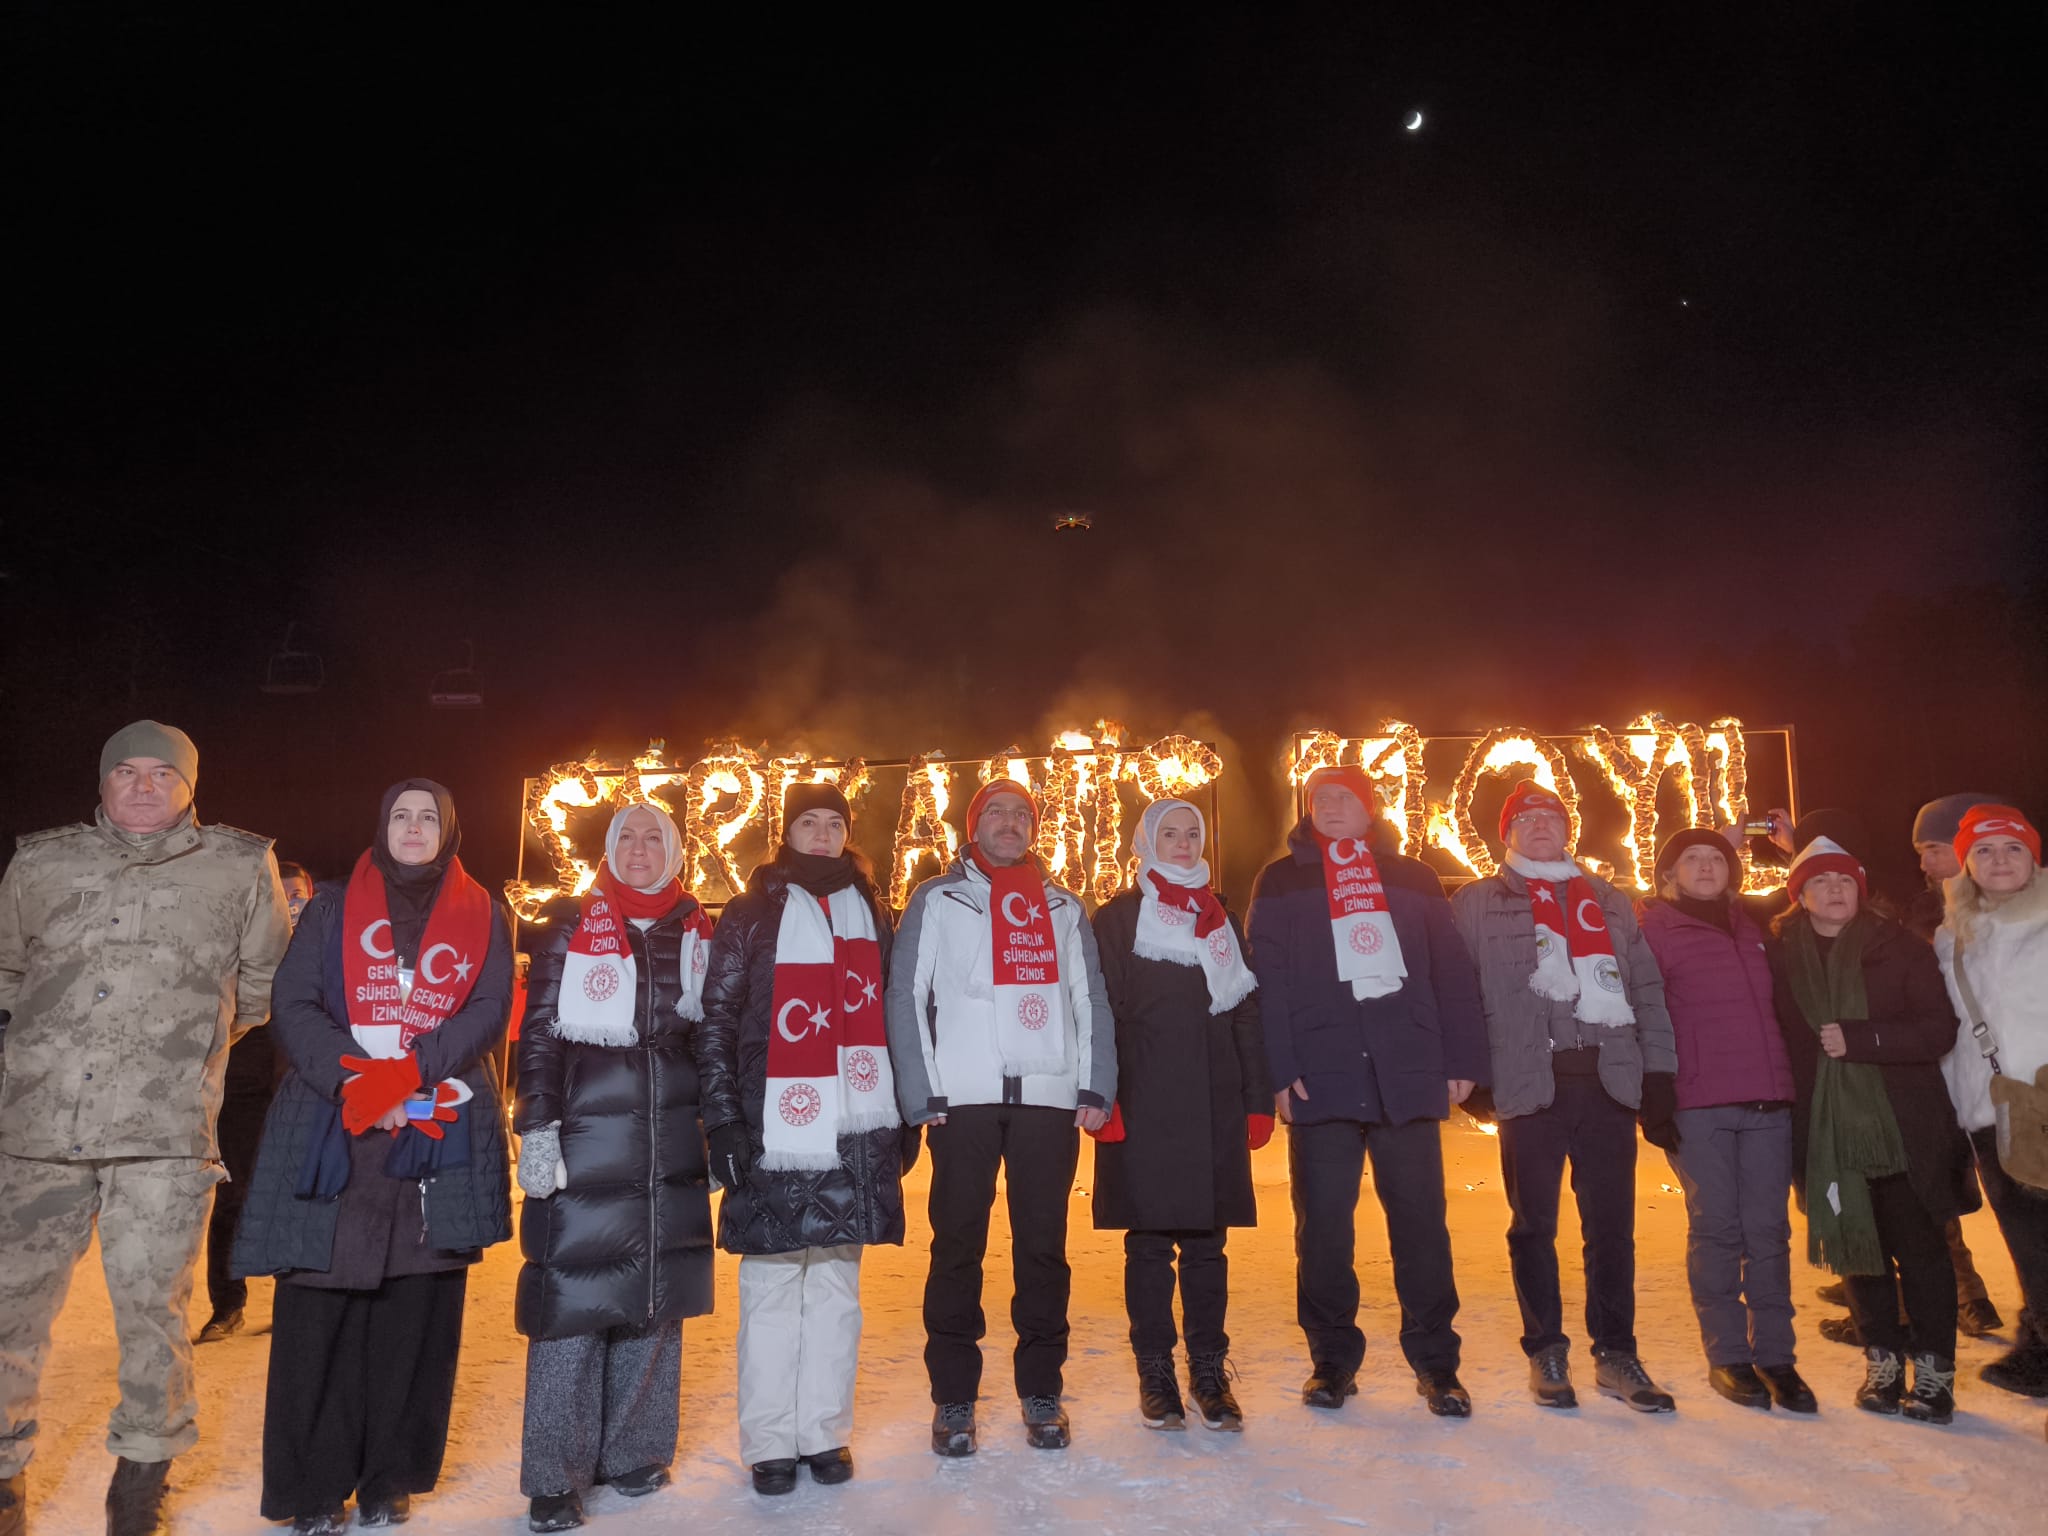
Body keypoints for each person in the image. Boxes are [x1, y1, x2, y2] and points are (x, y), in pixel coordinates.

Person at [0, 720, 291, 1536]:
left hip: (163, 1135)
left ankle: (139, 1488)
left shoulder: (238, 866)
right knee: (7, 1314)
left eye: (161, 774)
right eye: (123, 771)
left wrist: (180, 1048)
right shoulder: (43, 860)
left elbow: (265, 986)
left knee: (154, 1317)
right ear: (100, 781)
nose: (140, 786)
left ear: (190, 786)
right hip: (37, 1132)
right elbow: (6, 971)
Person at [232, 779, 515, 1532]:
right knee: (318, 1316)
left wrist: (410, 1074)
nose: (414, 828)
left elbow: (488, 1010)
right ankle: (312, 1488)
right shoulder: (329, 906)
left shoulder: (486, 912)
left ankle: (391, 1476)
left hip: (434, 1129)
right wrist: (363, 1082)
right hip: (336, 1129)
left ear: (450, 829)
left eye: (429, 817)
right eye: (401, 815)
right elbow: (293, 1005)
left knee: (414, 1316)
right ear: (381, 825)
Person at [1248, 767, 1488, 1418]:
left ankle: (1438, 1365)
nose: (1328, 806)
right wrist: (1277, 1067)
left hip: (1404, 1070)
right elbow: (1265, 981)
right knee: (1323, 1229)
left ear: (1369, 811)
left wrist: (1462, 1056)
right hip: (1320, 1074)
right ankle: (1331, 1361)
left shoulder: (1412, 876)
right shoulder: (1282, 879)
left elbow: (1451, 973)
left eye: (1343, 797)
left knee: (1421, 1229)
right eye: (1318, 798)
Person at [884, 780, 1115, 1457]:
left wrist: (1095, 1082)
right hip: (963, 1100)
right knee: (957, 1246)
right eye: (997, 813)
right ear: (973, 823)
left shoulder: (1062, 905)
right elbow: (907, 992)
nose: (1010, 824)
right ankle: (954, 1396)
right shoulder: (937, 897)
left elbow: (1088, 996)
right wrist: (921, 1088)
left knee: (1043, 1248)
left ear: (1034, 828)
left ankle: (1041, 1388)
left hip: (1046, 1096)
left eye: (1022, 814)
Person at [696, 784, 911, 1494]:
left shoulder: (872, 909)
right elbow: (718, 1021)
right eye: (808, 822)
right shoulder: (751, 912)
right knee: (769, 1286)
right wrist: (723, 1118)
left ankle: (823, 1432)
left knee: (835, 1290)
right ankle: (769, 1442)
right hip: (771, 1127)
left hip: (851, 1126)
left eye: (834, 823)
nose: (822, 834)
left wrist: (899, 1114)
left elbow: (890, 1014)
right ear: (785, 831)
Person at [515, 804, 717, 1530]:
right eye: (627, 836)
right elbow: (538, 1028)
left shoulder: (697, 928)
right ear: (608, 848)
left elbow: (712, 1038)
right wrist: (536, 1124)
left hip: (670, 1136)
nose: (639, 848)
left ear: (675, 851)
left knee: (655, 1297)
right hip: (588, 1135)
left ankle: (633, 1449)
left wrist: (717, 1130)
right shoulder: (573, 920)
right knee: (573, 1297)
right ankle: (553, 1473)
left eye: (653, 838)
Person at [1450, 780, 1679, 1413]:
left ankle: (1616, 1351)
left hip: (1608, 1083)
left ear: (1568, 827)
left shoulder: (1609, 900)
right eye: (1527, 817)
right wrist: (1471, 1073)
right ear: (1507, 833)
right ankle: (1546, 1349)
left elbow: (1648, 991)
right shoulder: (1474, 902)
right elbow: (1458, 991)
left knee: (1613, 1229)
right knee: (1533, 1227)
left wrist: (1658, 1073)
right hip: (1529, 1086)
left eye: (1552, 815)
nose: (1541, 824)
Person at [1769, 835, 1976, 1423]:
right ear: (1800, 896)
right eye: (1820, 882)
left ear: (1860, 890)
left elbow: (1939, 1030)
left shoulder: (1900, 948)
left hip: (1903, 1127)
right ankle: (1882, 1363)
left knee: (1922, 1252)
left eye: (1844, 882)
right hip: (1825, 1133)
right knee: (1858, 1251)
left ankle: (1935, 1375)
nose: (1834, 891)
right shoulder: (1780, 959)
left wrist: (1865, 1040)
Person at [1090, 798, 1270, 1430]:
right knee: (1146, 1244)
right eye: (1171, 833)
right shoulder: (1116, 918)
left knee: (1206, 1245)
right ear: (1146, 841)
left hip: (1214, 1098)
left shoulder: (1221, 917)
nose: (1184, 843)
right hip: (1141, 1099)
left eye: (1193, 833)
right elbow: (1100, 1010)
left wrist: (1255, 1098)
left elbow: (1245, 1009)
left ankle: (1209, 1371)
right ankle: (1156, 1373)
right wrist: (1101, 1093)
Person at [1637, 828, 1816, 1413]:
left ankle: (1777, 1357)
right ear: (1669, 874)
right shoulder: (1651, 929)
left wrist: (1796, 846)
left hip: (1769, 1099)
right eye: (1692, 858)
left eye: (1718, 858)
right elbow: (1643, 1011)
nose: (1707, 866)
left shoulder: (1757, 928)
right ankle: (1728, 1356)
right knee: (1718, 1230)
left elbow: (1822, 891)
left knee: (1769, 1231)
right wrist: (1655, 1089)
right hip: (1699, 1102)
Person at [1936, 804, 2048, 1401]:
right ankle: (2038, 1345)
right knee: (2026, 1239)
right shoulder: (1953, 935)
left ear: (2033, 857)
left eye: (2012, 849)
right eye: (1984, 851)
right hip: (1990, 1110)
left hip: (2047, 1100)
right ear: (1966, 865)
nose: (1998, 860)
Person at [199, 859, 315, 1344]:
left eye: (298, 893)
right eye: (281, 892)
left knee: (302, 1196)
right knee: (233, 1197)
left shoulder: (327, 948)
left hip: (306, 1090)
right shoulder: (243, 945)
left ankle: (299, 1300)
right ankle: (227, 1305)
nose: (290, 900)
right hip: (243, 1089)